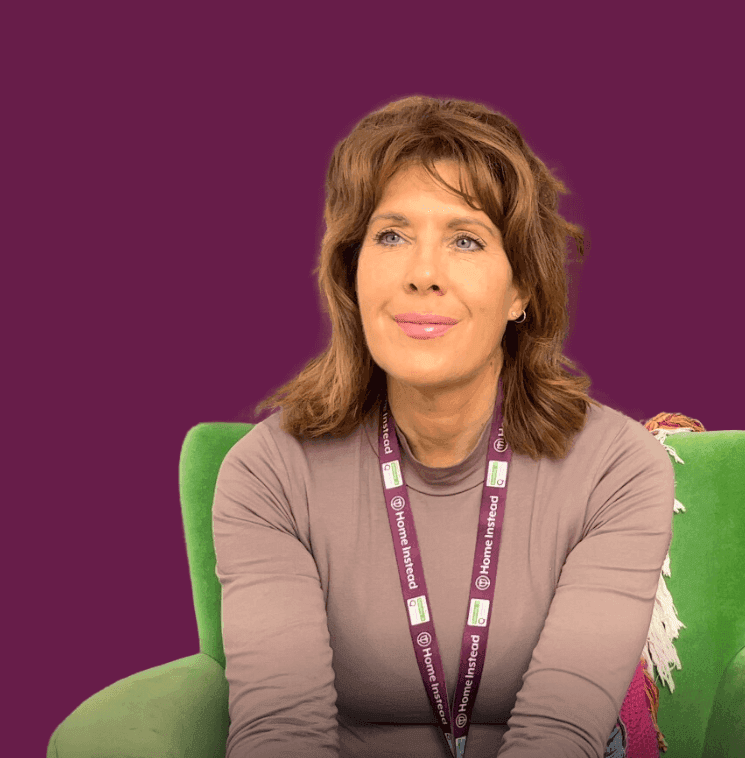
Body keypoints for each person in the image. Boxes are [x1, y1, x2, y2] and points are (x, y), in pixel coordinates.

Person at [212, 95, 675, 758]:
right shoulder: (269, 474)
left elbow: (560, 734)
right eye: (392, 236)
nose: (423, 275)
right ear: (351, 270)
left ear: (520, 290)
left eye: (465, 240)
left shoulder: (618, 467)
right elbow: (279, 734)